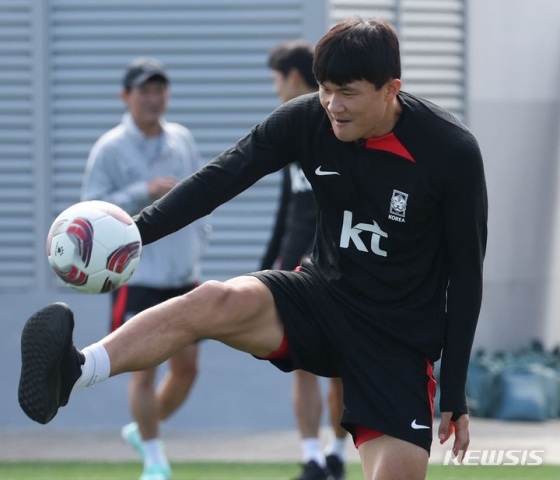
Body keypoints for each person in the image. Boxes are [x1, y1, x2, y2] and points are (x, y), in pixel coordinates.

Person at [18, 18, 487, 480]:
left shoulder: (451, 151)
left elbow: (466, 275)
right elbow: (222, 177)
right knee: (213, 300)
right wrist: (135, 232)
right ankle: (75, 371)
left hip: (396, 339)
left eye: (347, 92)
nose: (331, 105)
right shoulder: (308, 118)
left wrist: (455, 391)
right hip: (322, 298)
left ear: (391, 89)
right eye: (324, 88)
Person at [80, 57, 210, 480]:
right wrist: (143, 191)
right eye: (144, 91)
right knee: (142, 367)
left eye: (160, 90)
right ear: (126, 97)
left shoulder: (181, 139)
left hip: (181, 275)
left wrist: (199, 243)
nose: (154, 99)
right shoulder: (110, 147)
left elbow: (200, 193)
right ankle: (154, 459)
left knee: (188, 369)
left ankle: (142, 431)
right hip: (138, 277)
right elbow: (90, 210)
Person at [262, 40, 348, 480]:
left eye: (276, 82)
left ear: (294, 79)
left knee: (339, 369)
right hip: (293, 266)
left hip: (334, 265)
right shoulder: (289, 130)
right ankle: (312, 456)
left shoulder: (336, 125)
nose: (275, 91)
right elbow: (285, 206)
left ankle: (337, 452)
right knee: (300, 363)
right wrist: (265, 265)